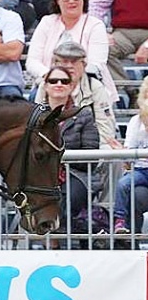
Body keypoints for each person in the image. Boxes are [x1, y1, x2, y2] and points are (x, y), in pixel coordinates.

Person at [26, 0, 118, 103]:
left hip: (86, 88)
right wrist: (54, 79)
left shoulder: (95, 25)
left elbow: (96, 64)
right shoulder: (47, 22)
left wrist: (68, 82)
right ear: (57, 0)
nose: (71, 1)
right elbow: (32, 62)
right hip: (49, 86)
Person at [41, 65, 100, 243]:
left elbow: (91, 153)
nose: (58, 84)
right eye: (53, 81)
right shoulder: (33, 116)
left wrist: (59, 159)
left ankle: (59, 245)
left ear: (72, 86)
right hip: (41, 175)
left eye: (64, 81)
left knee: (67, 199)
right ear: (45, 86)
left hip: (77, 174)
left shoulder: (84, 115)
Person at [35, 41, 116, 149]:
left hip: (87, 142)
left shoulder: (95, 86)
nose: (69, 66)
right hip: (48, 145)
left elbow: (105, 126)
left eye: (74, 62)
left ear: (84, 64)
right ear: (55, 64)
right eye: (64, 61)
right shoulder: (45, 85)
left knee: (107, 148)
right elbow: (36, 120)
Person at [113, 77, 148, 234]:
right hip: (141, 170)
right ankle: (120, 221)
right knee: (123, 184)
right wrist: (122, 152)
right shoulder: (136, 121)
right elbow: (129, 151)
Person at [104, 0, 148, 91]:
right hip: (123, 33)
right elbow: (98, 2)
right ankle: (129, 91)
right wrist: (100, 30)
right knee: (103, 49)